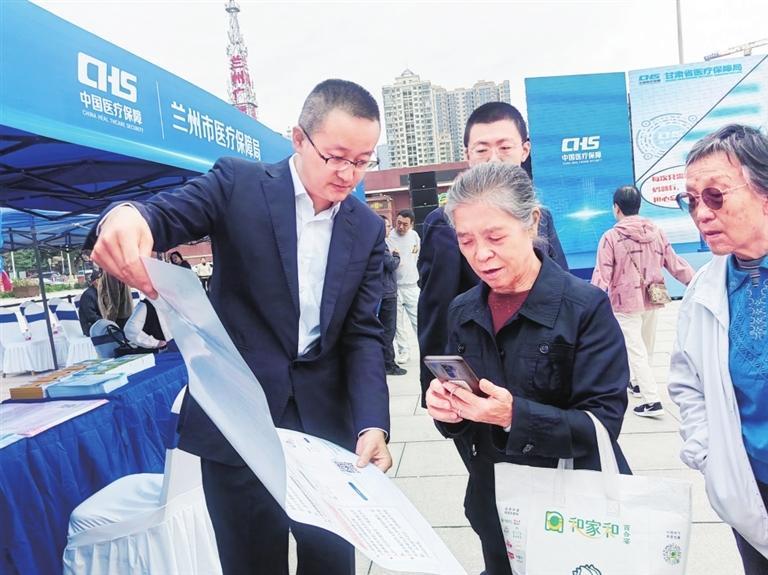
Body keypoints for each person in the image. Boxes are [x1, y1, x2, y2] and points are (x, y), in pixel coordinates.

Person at [87, 79, 391, 575]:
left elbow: (362, 334)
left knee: (333, 562)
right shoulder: (239, 185)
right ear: (299, 138)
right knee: (250, 562)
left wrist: (372, 422)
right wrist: (127, 217)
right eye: (336, 157)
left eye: (362, 161)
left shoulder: (367, 227)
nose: (348, 175)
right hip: (238, 419)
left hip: (323, 426)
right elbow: (163, 213)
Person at [425, 162, 630, 575]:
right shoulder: (463, 309)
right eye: (466, 240)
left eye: (495, 236)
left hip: (571, 509)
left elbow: (603, 423)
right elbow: (463, 421)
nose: (481, 254)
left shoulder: (584, 307)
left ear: (532, 221)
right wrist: (447, 410)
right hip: (494, 505)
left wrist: (512, 416)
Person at [418, 102, 568, 410]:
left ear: (524, 150)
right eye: (482, 150)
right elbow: (437, 312)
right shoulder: (444, 223)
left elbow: (562, 290)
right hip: (483, 381)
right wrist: (437, 387)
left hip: (545, 373)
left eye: (504, 147)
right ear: (467, 155)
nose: (494, 159)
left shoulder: (542, 217)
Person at [668, 124, 768, 573]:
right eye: (691, 200)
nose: (701, 214)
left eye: (715, 196)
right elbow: (686, 381)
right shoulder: (704, 289)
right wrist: (710, 457)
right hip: (749, 485)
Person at [591, 185, 693, 417]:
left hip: (625, 301)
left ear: (616, 208)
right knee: (646, 346)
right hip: (652, 297)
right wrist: (696, 283)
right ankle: (637, 383)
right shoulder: (656, 232)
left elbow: (602, 275)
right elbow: (675, 263)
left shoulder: (611, 237)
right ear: (639, 206)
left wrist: (589, 304)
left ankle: (652, 400)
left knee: (635, 350)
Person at [387, 208, 420, 363]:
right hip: (396, 286)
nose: (401, 227)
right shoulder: (389, 237)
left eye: (405, 224)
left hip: (412, 285)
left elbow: (416, 256)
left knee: (418, 319)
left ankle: (425, 347)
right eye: (399, 223)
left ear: (411, 224)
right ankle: (403, 351)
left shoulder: (414, 236)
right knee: (398, 323)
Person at [379, 216, 405, 375]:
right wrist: (396, 255)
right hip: (386, 293)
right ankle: (389, 365)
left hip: (385, 291)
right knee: (388, 330)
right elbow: (391, 264)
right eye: (388, 226)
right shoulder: (380, 245)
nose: (390, 229)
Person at [78, 269, 103, 336]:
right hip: (91, 328)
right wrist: (106, 321)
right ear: (96, 281)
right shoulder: (88, 295)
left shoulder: (99, 292)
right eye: (103, 280)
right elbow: (91, 316)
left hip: (99, 325)